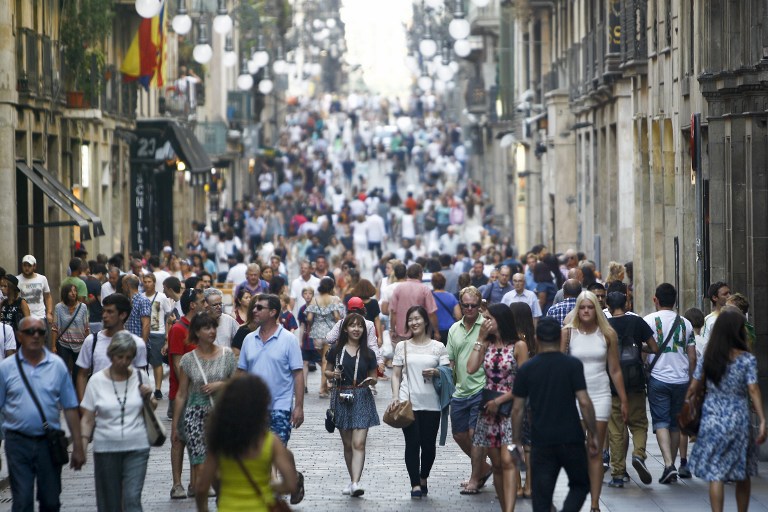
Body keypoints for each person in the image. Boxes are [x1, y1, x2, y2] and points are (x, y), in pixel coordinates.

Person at [511, 316, 598, 512]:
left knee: (541, 497)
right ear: (560, 336)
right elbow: (584, 401)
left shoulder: (526, 369)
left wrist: (516, 440)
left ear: (536, 338)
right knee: (580, 484)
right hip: (571, 438)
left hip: (541, 440)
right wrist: (593, 434)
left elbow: (517, 409)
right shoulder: (572, 365)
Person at [0, 316, 86, 510]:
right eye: (30, 332)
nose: (36, 336)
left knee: (50, 501)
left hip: (48, 442)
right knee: (22, 501)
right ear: (20, 336)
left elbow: (70, 406)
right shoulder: (6, 368)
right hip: (17, 442)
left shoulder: (56, 365)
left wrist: (79, 445)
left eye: (40, 332)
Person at [687, 308, 767, 512]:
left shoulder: (708, 358)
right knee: (743, 472)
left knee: (717, 473)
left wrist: (690, 404)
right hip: (738, 417)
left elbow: (694, 388)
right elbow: (753, 388)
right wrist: (762, 418)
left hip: (713, 417)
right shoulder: (746, 359)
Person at [562, 290, 627, 512]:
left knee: (595, 449)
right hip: (575, 397)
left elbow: (615, 369)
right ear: (577, 310)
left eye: (590, 307)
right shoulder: (569, 333)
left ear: (596, 309)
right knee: (578, 450)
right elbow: (559, 365)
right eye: (582, 307)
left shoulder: (607, 333)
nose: (586, 311)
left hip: (600, 395)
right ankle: (580, 490)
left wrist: (624, 399)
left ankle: (595, 503)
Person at [237, 293, 305, 505]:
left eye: (259, 307)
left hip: (281, 406)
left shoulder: (288, 339)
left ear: (273, 312)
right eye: (254, 307)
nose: (254, 310)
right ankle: (286, 484)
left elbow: (298, 374)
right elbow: (241, 373)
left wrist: (299, 407)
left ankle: (275, 494)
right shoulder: (249, 339)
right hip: (254, 409)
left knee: (274, 452)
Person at [194, 375, 298, 511]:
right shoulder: (270, 441)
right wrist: (267, 486)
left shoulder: (220, 440)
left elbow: (202, 487)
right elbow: (290, 484)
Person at [80, 331, 155, 511]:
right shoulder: (96, 381)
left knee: (132, 499)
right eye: (120, 357)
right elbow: (88, 418)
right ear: (111, 355)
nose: (124, 362)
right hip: (106, 448)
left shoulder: (139, 377)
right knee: (109, 504)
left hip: (137, 446)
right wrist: (82, 447)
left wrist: (149, 397)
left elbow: (151, 407)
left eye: (128, 357)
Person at [466, 303, 528, 512]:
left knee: (508, 461)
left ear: (500, 320)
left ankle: (510, 509)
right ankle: (504, 507)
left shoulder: (518, 345)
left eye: (489, 318)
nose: (485, 322)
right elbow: (471, 368)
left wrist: (499, 401)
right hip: (489, 412)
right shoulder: (486, 344)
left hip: (510, 409)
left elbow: (523, 383)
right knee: (498, 465)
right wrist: (480, 339)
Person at [173, 311, 237, 498]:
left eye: (213, 327)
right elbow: (181, 393)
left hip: (220, 414)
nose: (211, 331)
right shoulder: (188, 360)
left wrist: (221, 384)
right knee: (199, 456)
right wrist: (176, 425)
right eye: (206, 328)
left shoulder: (227, 355)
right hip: (194, 414)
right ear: (197, 332)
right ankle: (201, 489)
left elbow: (237, 384)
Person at [390, 306, 450, 498]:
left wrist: (437, 372)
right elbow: (396, 374)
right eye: (410, 319)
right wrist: (395, 397)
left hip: (432, 403)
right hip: (409, 402)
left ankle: (424, 477)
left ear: (425, 321)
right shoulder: (402, 346)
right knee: (412, 443)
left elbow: (449, 373)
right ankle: (415, 484)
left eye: (417, 319)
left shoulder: (438, 347)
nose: (414, 322)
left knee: (428, 445)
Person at [643, 283, 696, 484]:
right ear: (675, 300)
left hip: (658, 377)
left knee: (661, 422)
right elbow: (692, 358)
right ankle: (670, 465)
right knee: (675, 423)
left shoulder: (647, 321)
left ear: (655, 299)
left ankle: (668, 465)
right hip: (682, 379)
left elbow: (642, 352)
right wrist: (691, 380)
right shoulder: (686, 323)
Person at [605, 291, 658, 488]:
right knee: (639, 424)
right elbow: (654, 347)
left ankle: (618, 474)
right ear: (626, 303)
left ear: (608, 306)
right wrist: (640, 350)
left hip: (612, 385)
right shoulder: (637, 322)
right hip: (635, 383)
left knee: (616, 430)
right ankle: (639, 454)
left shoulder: (606, 326)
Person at [324, 313, 379, 496]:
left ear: (364, 330)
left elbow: (374, 377)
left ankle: (356, 483)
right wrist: (332, 376)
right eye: (352, 326)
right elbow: (327, 371)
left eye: (360, 326)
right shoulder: (336, 351)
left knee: (359, 443)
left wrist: (371, 381)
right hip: (341, 397)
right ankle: (352, 479)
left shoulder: (369, 353)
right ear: (345, 329)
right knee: (347, 445)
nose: (356, 329)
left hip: (362, 397)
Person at [447, 286, 493, 494]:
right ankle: (484, 468)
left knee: (476, 434)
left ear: (479, 304)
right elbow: (451, 360)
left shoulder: (488, 326)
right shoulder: (454, 329)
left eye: (474, 305)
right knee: (459, 435)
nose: (469, 309)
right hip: (460, 390)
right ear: (460, 304)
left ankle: (475, 479)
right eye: (465, 305)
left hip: (482, 388)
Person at [166, 288, 206, 499]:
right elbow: (178, 363)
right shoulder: (179, 329)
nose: (205, 304)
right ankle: (177, 484)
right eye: (202, 301)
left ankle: (194, 484)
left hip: (199, 394)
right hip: (181, 393)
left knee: (196, 438)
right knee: (179, 439)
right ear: (192, 305)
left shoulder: (198, 329)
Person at [75, 293, 148, 402]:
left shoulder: (137, 344)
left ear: (122, 315)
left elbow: (141, 378)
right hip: (98, 407)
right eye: (104, 311)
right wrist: (83, 406)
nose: (104, 315)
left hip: (127, 407)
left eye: (110, 312)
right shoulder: (91, 341)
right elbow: (82, 375)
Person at [306, 277, 344, 398]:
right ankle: (323, 388)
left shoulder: (314, 299)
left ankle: (325, 385)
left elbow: (309, 318)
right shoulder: (334, 299)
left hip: (316, 333)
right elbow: (337, 316)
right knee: (325, 361)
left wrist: (309, 328)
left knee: (322, 360)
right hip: (329, 332)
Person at [390, 263, 440, 343]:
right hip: (420, 332)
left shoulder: (398, 288)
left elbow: (393, 312)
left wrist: (392, 329)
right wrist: (436, 331)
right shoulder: (424, 289)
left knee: (404, 354)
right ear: (420, 274)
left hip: (402, 332)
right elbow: (431, 313)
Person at [52, 283, 89, 385]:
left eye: (75, 291)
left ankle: (76, 394)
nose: (73, 293)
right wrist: (53, 346)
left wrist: (88, 344)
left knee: (77, 372)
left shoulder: (83, 307)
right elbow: (55, 327)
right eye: (70, 291)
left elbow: (86, 326)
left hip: (79, 343)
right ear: (65, 293)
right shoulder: (59, 307)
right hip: (63, 343)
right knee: (63, 369)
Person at [142, 273, 171, 400]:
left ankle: (158, 388)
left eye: (149, 281)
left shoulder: (162, 297)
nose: (147, 284)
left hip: (157, 332)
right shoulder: (141, 297)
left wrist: (167, 334)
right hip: (144, 332)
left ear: (154, 283)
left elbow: (168, 315)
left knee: (157, 361)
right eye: (145, 282)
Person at [16, 255, 53, 327]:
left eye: (29, 266)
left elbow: (48, 297)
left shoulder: (42, 279)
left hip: (40, 317)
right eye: (24, 265)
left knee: (42, 337)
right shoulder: (17, 280)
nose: (26, 268)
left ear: (34, 266)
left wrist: (49, 312)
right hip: (23, 318)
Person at [431, 272, 461, 344]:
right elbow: (458, 316)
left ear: (432, 284)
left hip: (436, 331)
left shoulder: (430, 298)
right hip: (451, 330)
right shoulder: (451, 296)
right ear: (444, 283)